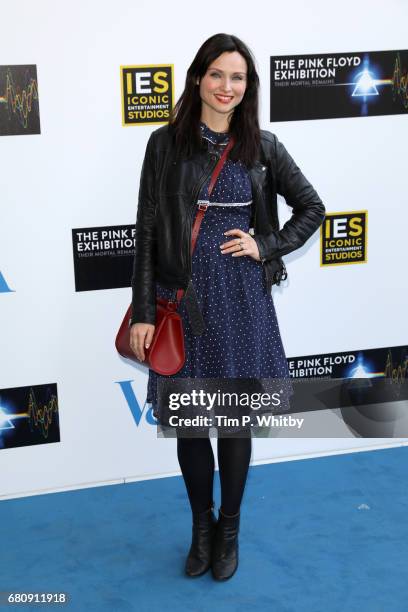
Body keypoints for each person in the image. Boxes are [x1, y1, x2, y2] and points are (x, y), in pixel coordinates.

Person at [129, 33, 325, 581]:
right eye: (217, 74)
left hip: (241, 301)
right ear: (198, 78)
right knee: (192, 426)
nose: (226, 87)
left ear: (248, 87)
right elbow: (146, 231)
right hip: (183, 301)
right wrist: (144, 310)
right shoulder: (164, 145)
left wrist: (267, 245)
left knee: (234, 425)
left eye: (237, 78)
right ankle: (202, 527)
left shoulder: (262, 147)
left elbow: (312, 206)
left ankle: (230, 530)